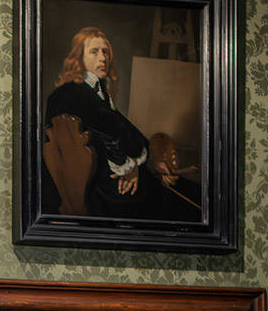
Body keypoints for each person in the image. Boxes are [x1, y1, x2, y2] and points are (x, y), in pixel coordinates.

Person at [41, 27, 201, 222]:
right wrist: (129, 168)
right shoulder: (77, 94)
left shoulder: (84, 91)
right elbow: (117, 134)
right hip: (103, 193)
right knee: (186, 200)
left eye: (105, 51)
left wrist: (146, 162)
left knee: (183, 190)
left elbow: (121, 131)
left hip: (101, 185)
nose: (103, 58)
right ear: (78, 57)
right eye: (94, 51)